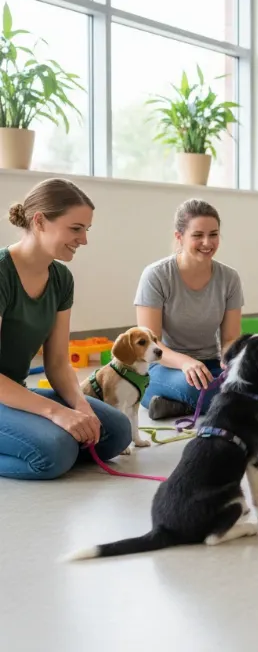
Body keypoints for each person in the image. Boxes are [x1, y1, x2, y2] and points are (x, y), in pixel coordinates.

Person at [0, 178, 131, 480]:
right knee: (55, 451)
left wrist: (80, 405)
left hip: (13, 392)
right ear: (40, 221)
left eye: (86, 230)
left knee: (116, 432)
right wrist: (56, 412)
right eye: (76, 228)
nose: (83, 239)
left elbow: (58, 361)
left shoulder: (61, 278)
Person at [136, 199, 244, 420]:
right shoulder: (156, 275)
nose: (207, 242)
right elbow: (150, 345)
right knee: (198, 388)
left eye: (213, 234)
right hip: (164, 365)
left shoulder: (229, 278)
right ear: (179, 237)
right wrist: (185, 362)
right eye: (197, 235)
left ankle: (176, 406)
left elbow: (231, 338)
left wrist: (233, 360)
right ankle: (175, 397)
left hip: (210, 365)